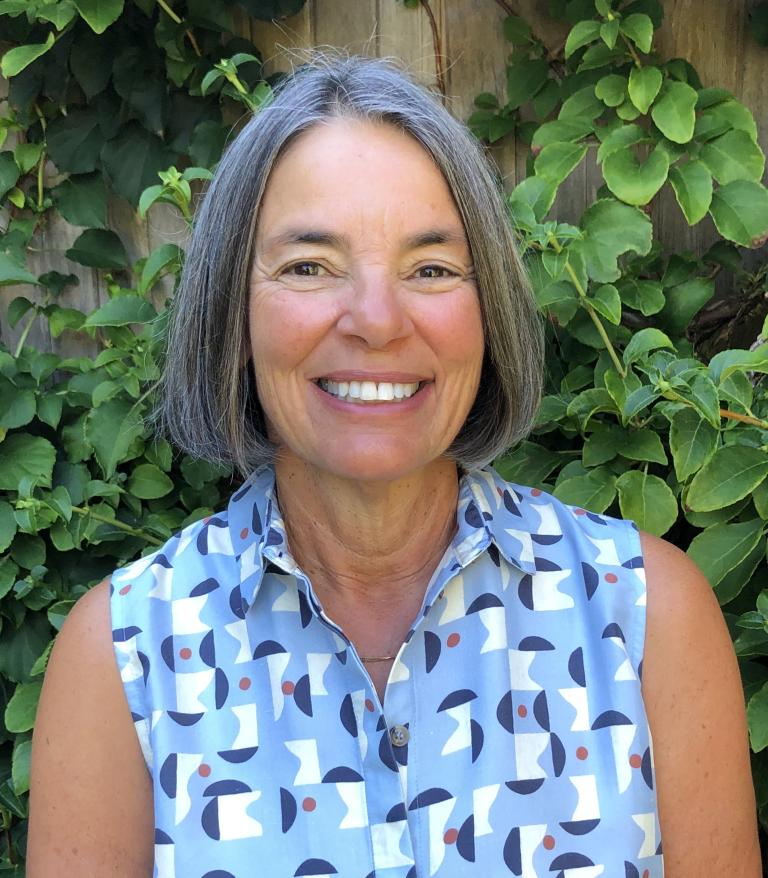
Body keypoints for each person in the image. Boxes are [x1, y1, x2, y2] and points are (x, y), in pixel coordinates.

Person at [28, 54, 760, 878]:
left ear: (490, 315)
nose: (376, 320)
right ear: (232, 310)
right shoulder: (124, 656)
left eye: (432, 269)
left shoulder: (646, 620)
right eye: (309, 266)